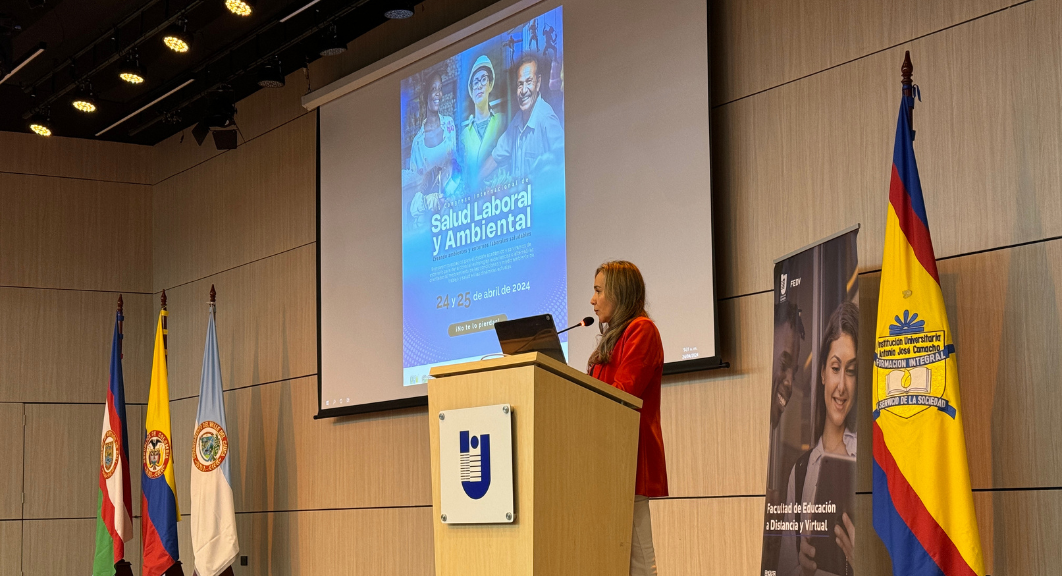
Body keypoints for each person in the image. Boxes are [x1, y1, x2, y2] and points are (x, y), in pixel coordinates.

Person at [587, 261, 667, 576]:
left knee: (639, 563)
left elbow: (624, 393)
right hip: (605, 456)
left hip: (629, 458)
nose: (592, 300)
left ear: (618, 293)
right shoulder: (613, 336)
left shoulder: (641, 330)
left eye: (598, 290)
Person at [777, 302, 858, 576]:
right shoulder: (800, 473)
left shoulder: (869, 464)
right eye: (836, 368)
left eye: (851, 371)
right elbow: (784, 569)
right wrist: (801, 567)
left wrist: (861, 558)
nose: (842, 386)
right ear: (822, 372)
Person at [479, 53, 564, 183]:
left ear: (539, 82)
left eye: (529, 82)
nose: (523, 90)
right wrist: (472, 186)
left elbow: (563, 160)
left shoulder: (547, 118)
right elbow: (495, 157)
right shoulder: (516, 121)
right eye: (520, 84)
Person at [406, 71, 458, 226]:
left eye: (440, 88)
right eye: (434, 89)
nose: (438, 94)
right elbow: (416, 188)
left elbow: (454, 166)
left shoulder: (449, 125)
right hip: (428, 217)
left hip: (451, 211)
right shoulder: (417, 143)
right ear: (426, 95)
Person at [460, 56, 505, 187]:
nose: (479, 86)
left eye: (484, 80)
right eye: (476, 82)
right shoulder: (464, 136)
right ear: (471, 90)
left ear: (490, 85)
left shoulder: (502, 121)